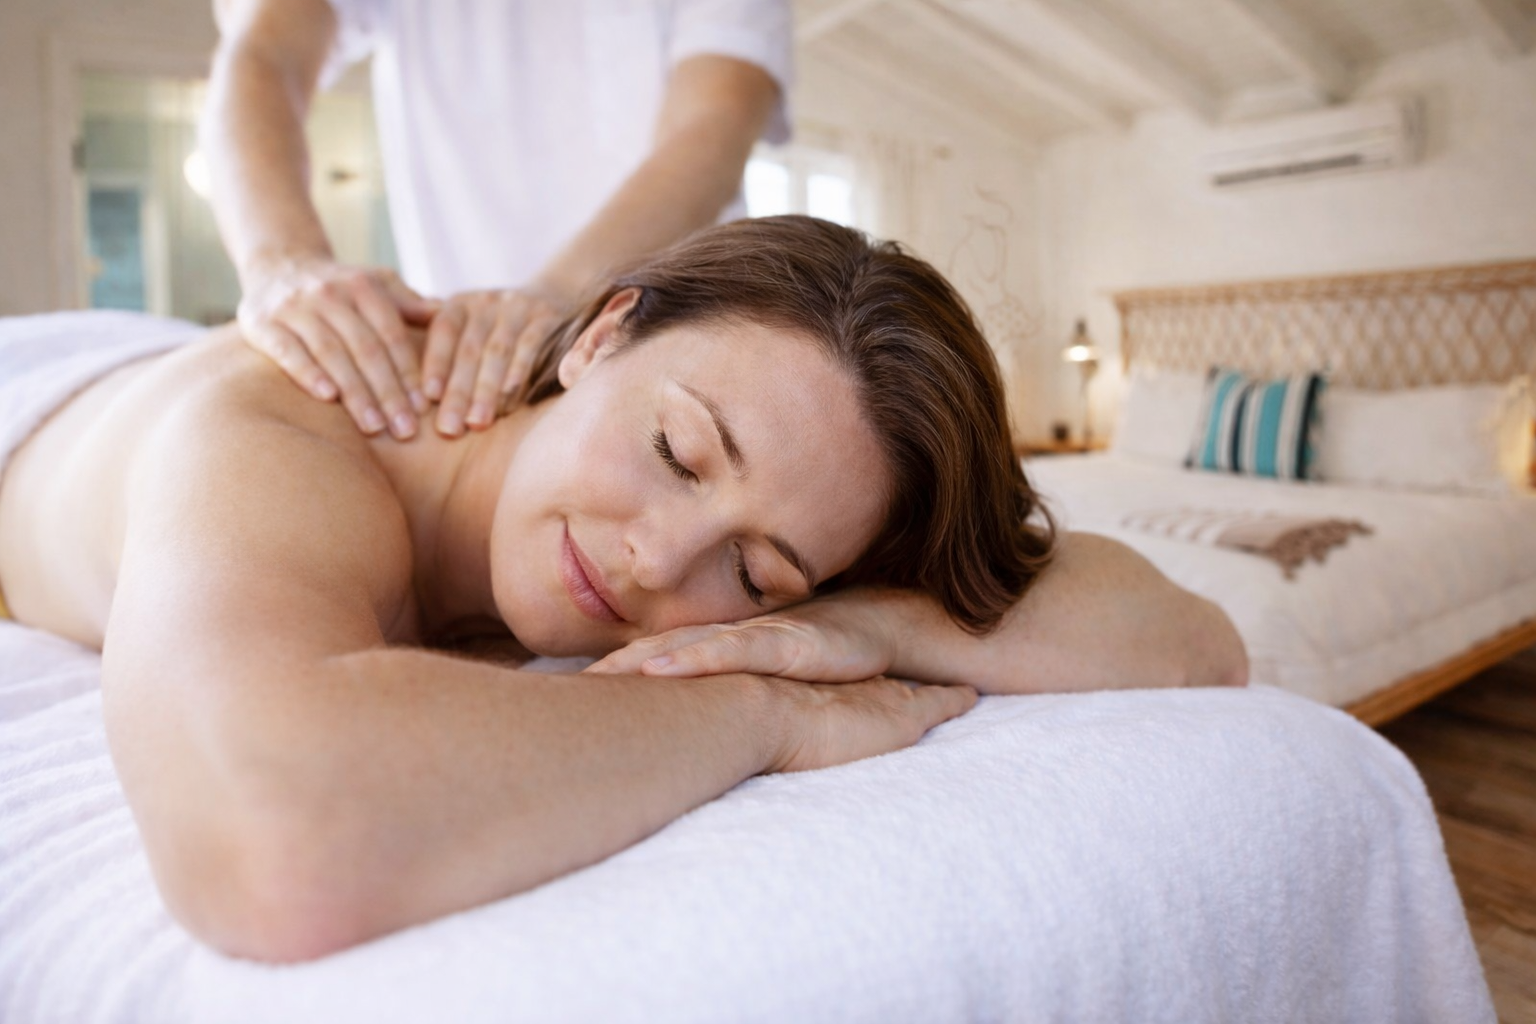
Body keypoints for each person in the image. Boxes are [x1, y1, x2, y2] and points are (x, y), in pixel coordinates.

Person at [0, 217, 1247, 964]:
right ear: (598, 336)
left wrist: (859, 622)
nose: (659, 562)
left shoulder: (780, 538)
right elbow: (273, 835)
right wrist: (764, 715)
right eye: (677, 452)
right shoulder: (275, 446)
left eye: (756, 570)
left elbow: (1193, 643)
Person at [204, 0, 789, 441]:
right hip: (464, 370)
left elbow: (715, 121)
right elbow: (264, 53)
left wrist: (563, 296)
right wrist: (281, 260)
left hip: (665, 348)